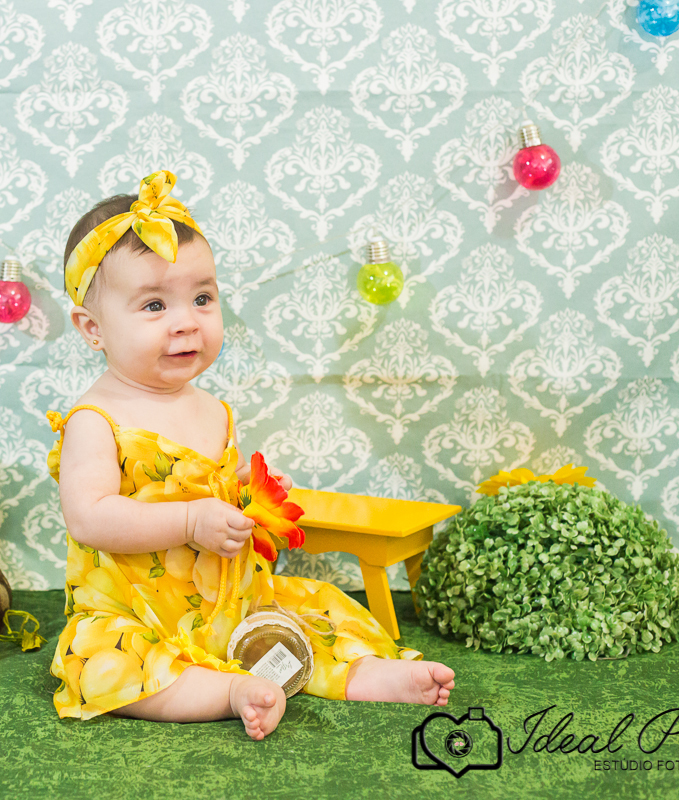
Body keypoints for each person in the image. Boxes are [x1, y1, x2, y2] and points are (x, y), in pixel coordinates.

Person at [45, 170, 454, 740]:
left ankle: (374, 674)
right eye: (155, 305)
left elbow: (219, 483)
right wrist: (190, 520)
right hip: (138, 612)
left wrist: (251, 492)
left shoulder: (214, 409)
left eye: (202, 298)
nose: (186, 322)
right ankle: (228, 691)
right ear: (93, 328)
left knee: (312, 613)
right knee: (102, 665)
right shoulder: (96, 420)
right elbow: (90, 517)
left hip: (235, 601)